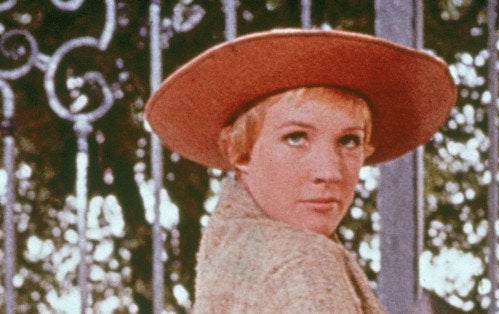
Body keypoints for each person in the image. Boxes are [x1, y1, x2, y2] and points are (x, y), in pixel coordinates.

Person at [145, 28, 456, 313]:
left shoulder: (232, 250)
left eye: (349, 141)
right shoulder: (303, 262)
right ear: (240, 151)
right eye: (296, 138)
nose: (329, 172)